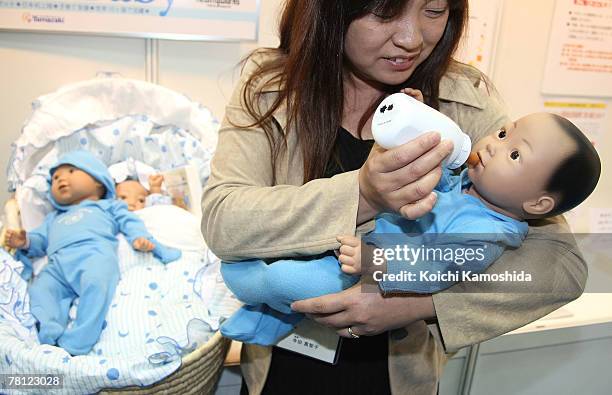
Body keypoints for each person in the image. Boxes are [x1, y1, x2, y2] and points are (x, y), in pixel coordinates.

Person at [202, 1, 588, 394]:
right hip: (282, 365)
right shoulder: (273, 87)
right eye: (385, 13)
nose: (411, 39)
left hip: (399, 374)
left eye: (434, 10)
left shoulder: (462, 100)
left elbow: (560, 266)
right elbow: (223, 221)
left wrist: (417, 304)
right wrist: (364, 194)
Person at [218, 105, 601, 346]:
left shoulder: (486, 234)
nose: (494, 145)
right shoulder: (470, 183)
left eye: (515, 154)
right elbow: (434, 178)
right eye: (503, 133)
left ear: (537, 204)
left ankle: (254, 285)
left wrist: (375, 266)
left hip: (370, 272)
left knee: (291, 282)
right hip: (361, 242)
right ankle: (268, 320)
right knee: (301, 264)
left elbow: (433, 269)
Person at [4, 151, 181, 355]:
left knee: (98, 285)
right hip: (57, 264)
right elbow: (40, 241)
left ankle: (78, 341)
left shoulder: (107, 206)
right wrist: (25, 241)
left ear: (98, 181)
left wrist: (139, 238)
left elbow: (130, 221)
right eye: (55, 178)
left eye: (70, 171)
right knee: (40, 292)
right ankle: (48, 333)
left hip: (94, 254)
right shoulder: (53, 218)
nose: (61, 178)